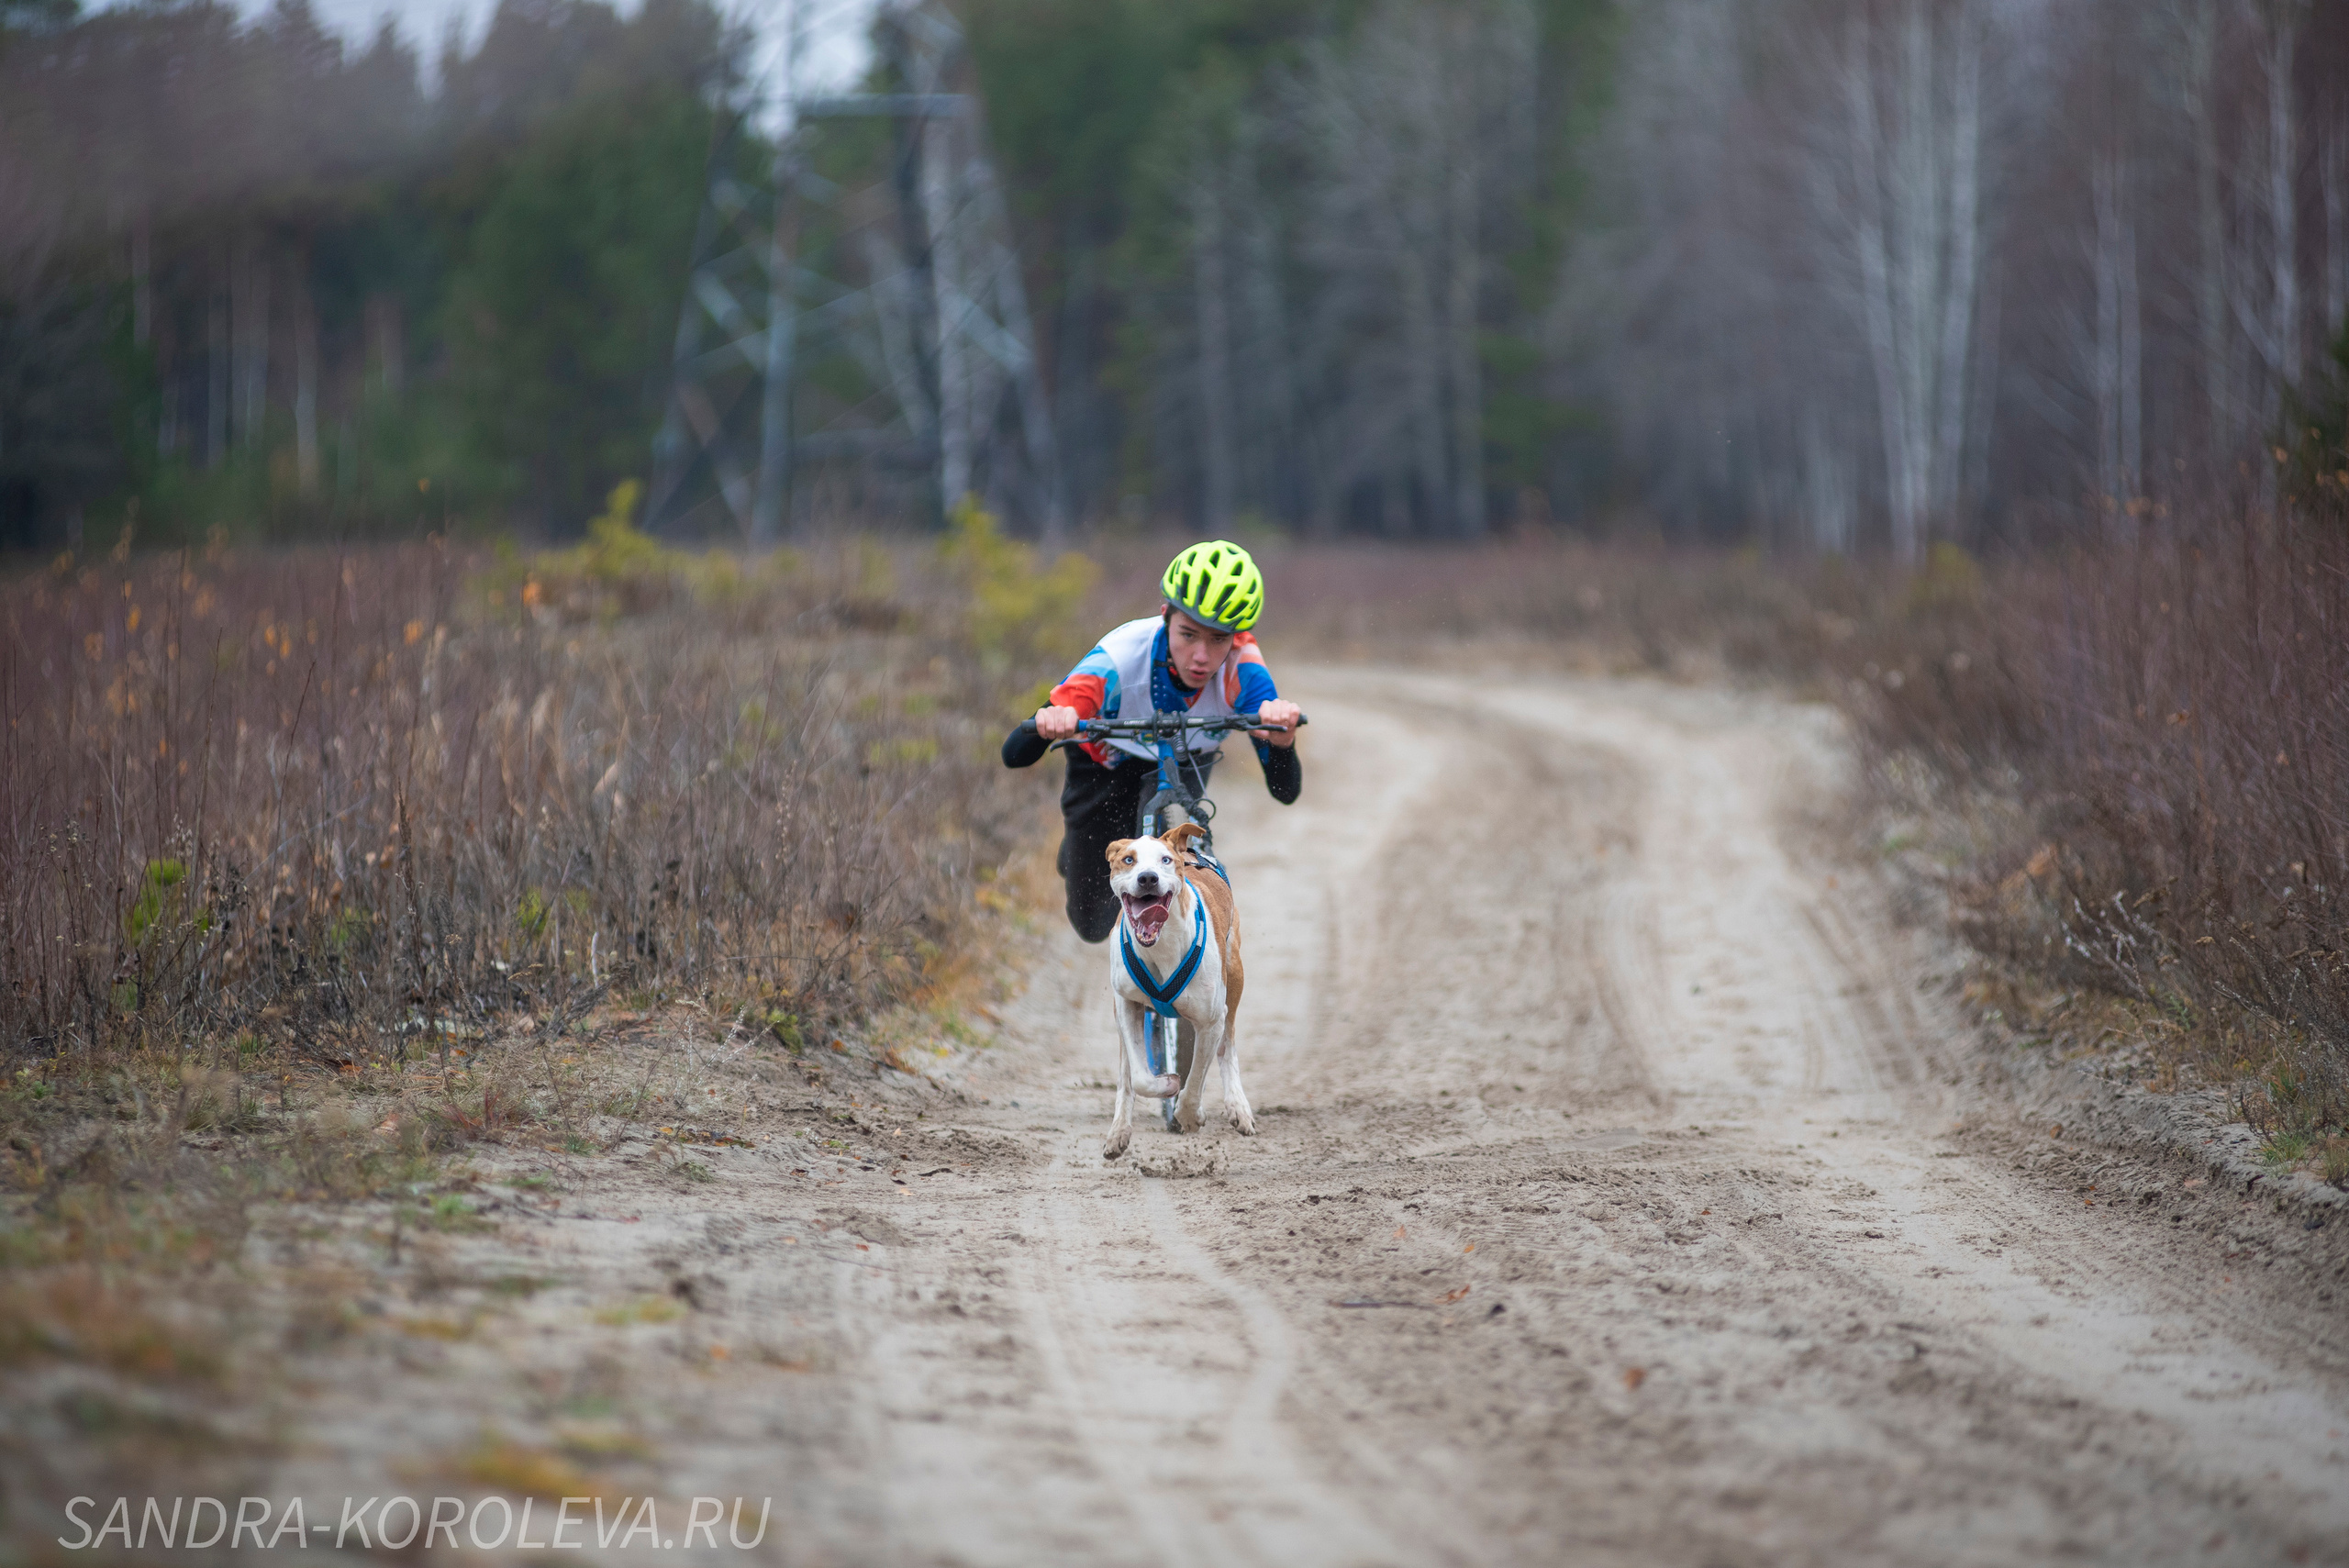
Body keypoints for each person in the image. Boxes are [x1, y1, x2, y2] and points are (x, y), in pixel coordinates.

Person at [1027, 540, 1302, 942]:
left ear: (1237, 638)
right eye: (1188, 634)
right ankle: (1077, 851)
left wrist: (1282, 741)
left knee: (1176, 844)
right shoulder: (1118, 658)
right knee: (1092, 924)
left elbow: (1285, 791)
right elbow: (1015, 752)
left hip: (1182, 757)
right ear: (1165, 617)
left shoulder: (1245, 672)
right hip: (1102, 764)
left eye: (1219, 639)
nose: (1202, 657)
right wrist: (1052, 719)